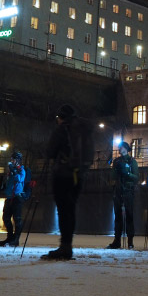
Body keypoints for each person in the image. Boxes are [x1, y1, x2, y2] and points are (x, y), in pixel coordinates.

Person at [43, 104, 94, 260]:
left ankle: (64, 247)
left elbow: (50, 151)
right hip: (79, 175)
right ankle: (67, 245)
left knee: (63, 210)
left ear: (61, 117)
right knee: (70, 210)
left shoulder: (62, 129)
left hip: (63, 174)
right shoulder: (84, 130)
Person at [108, 141, 139, 249]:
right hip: (118, 190)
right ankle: (117, 240)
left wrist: (127, 173)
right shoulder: (117, 161)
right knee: (118, 216)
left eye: (121, 147)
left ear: (126, 148)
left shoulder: (132, 161)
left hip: (128, 191)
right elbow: (112, 176)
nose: (120, 149)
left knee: (129, 215)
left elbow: (136, 178)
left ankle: (130, 241)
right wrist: (115, 169)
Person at [0, 151, 26, 247]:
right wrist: (2, 187)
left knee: (17, 218)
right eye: (11, 159)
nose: (12, 161)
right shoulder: (10, 171)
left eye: (14, 159)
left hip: (17, 197)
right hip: (9, 197)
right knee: (6, 218)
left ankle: (15, 240)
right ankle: (10, 237)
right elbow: (8, 183)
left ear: (18, 161)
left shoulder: (21, 170)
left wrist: (14, 171)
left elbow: (20, 179)